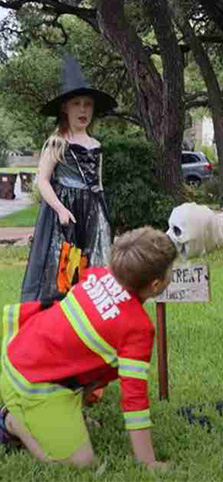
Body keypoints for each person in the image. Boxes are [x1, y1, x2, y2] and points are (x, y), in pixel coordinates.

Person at [0, 227, 177, 470]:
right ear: (156, 284)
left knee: (94, 355)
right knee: (81, 463)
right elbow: (134, 399)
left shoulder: (96, 274)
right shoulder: (137, 329)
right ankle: (10, 421)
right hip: (29, 380)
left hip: (19, 347)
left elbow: (78, 345)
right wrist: (148, 461)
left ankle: (68, 411)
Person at [20, 55, 118, 303]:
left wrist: (104, 216)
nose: (83, 110)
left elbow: (99, 182)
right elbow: (42, 180)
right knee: (64, 265)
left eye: (88, 104)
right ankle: (59, 317)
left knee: (94, 263)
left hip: (93, 213)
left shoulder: (96, 145)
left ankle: (92, 315)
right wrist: (61, 209)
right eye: (77, 104)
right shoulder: (57, 142)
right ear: (65, 107)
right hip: (65, 216)